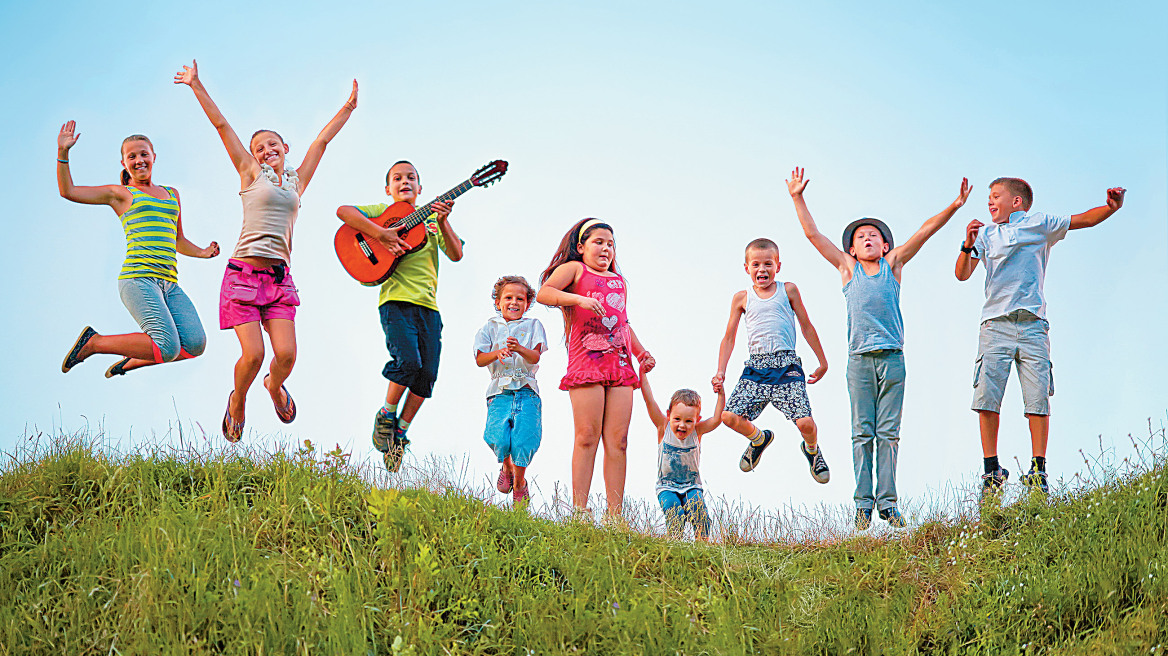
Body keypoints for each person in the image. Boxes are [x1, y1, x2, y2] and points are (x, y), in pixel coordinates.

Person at [174, 60, 357, 442]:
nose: (265, 150)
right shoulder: (250, 174)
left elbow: (320, 142)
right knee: (253, 355)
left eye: (272, 144)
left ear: (284, 148)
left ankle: (274, 387)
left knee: (287, 356)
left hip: (278, 280)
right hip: (242, 277)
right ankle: (237, 400)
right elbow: (222, 126)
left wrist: (348, 109)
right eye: (259, 148)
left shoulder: (295, 183)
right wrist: (196, 85)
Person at [787, 167, 972, 528]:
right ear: (852, 249)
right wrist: (798, 196)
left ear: (885, 246)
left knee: (888, 433)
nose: (868, 238)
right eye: (860, 237)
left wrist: (955, 205)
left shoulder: (893, 265)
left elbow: (925, 231)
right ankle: (863, 504)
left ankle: (888, 505)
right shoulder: (847, 268)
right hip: (859, 362)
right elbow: (813, 234)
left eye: (874, 235)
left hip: (892, 360)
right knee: (862, 433)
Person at [956, 178, 1125, 497]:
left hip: (1034, 324)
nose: (989, 202)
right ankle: (992, 470)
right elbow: (962, 273)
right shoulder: (987, 234)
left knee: (1037, 397)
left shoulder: (1040, 223)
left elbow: (1083, 219)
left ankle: (1038, 469)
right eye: (988, 198)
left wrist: (1111, 208)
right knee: (987, 396)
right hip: (995, 324)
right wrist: (968, 242)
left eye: (995, 196)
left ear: (1016, 202)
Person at [57, 121, 219, 378]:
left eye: (144, 153)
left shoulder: (172, 194)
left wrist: (201, 252)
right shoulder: (120, 194)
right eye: (131, 156)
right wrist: (63, 154)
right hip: (138, 279)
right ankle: (94, 343)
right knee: (167, 346)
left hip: (170, 284)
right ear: (124, 163)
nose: (139, 160)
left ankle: (131, 361)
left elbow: (177, 239)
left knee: (195, 344)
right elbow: (69, 191)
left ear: (154, 156)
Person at [335, 161, 460, 471]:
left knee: (427, 374)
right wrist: (382, 233)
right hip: (395, 301)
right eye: (397, 178)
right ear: (388, 189)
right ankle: (386, 415)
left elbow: (456, 254)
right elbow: (343, 212)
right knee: (407, 362)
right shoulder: (381, 209)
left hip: (429, 307)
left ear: (420, 188)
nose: (405, 181)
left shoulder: (431, 221)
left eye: (411, 177)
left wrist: (443, 221)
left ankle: (399, 436)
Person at [537, 218, 654, 518]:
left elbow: (623, 322)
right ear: (581, 247)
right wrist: (580, 299)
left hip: (619, 363)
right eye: (598, 242)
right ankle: (579, 510)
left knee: (619, 440)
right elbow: (545, 293)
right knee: (587, 435)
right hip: (586, 360)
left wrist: (641, 353)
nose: (606, 248)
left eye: (611, 244)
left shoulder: (619, 282)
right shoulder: (576, 270)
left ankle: (615, 515)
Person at [713, 238, 829, 482]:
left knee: (806, 423)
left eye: (768, 264)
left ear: (778, 265)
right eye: (756, 264)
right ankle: (759, 439)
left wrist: (822, 361)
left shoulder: (788, 290)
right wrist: (720, 371)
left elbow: (806, 326)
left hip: (786, 366)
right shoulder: (742, 298)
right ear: (747, 268)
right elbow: (729, 337)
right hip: (756, 368)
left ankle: (812, 451)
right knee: (728, 417)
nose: (762, 269)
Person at [472, 276, 548, 506]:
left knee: (524, 439)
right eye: (508, 297)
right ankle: (507, 467)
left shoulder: (533, 325)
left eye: (520, 299)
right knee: (497, 436)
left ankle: (519, 483)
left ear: (527, 303)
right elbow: (479, 359)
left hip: (526, 389)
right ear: (498, 302)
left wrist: (520, 349)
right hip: (499, 391)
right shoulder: (489, 328)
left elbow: (535, 356)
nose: (514, 302)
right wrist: (497, 353)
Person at [639, 363, 724, 541]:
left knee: (698, 510)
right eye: (677, 419)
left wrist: (720, 394)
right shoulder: (664, 428)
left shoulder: (697, 432)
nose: (682, 425)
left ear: (697, 420)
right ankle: (675, 544)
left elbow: (717, 419)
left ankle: (702, 546)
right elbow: (649, 401)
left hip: (692, 486)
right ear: (669, 414)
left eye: (688, 421)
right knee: (674, 510)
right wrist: (643, 375)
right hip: (666, 487)